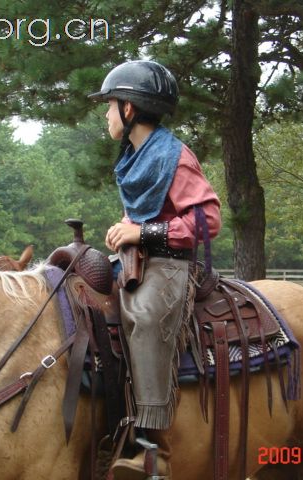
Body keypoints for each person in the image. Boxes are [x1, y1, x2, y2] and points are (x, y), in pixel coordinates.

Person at [89, 60, 221, 479]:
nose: (106, 115)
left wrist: (141, 234)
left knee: (144, 319)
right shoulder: (135, 156)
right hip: (138, 259)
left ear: (129, 109)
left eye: (110, 106)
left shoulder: (173, 155)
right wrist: (125, 231)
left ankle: (154, 447)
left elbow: (207, 221)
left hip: (168, 266)